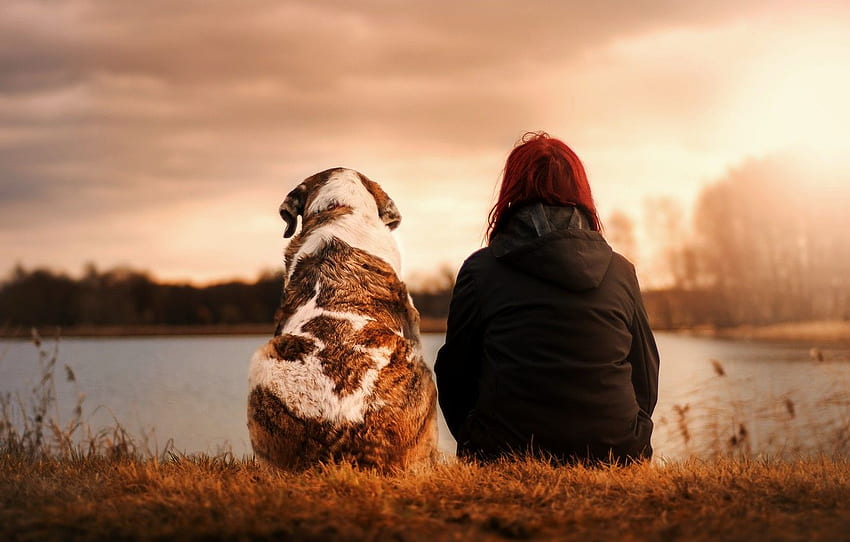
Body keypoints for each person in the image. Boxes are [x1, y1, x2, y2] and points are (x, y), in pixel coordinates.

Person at [434, 132, 660, 464]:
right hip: (615, 452)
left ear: (511, 192)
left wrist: (475, 438)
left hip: (504, 452)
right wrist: (630, 433)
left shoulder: (480, 271)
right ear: (580, 192)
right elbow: (646, 372)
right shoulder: (620, 271)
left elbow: (454, 373)